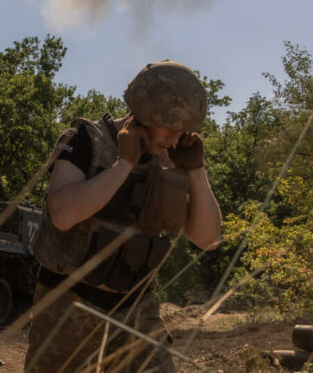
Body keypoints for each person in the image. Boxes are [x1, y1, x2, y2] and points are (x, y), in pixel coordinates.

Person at [25, 61, 223, 372]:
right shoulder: (85, 139)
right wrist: (124, 164)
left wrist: (196, 171)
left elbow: (208, 238)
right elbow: (63, 214)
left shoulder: (171, 162)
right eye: (170, 127)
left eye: (182, 131)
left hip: (136, 310)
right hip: (68, 306)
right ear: (145, 112)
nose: (175, 138)